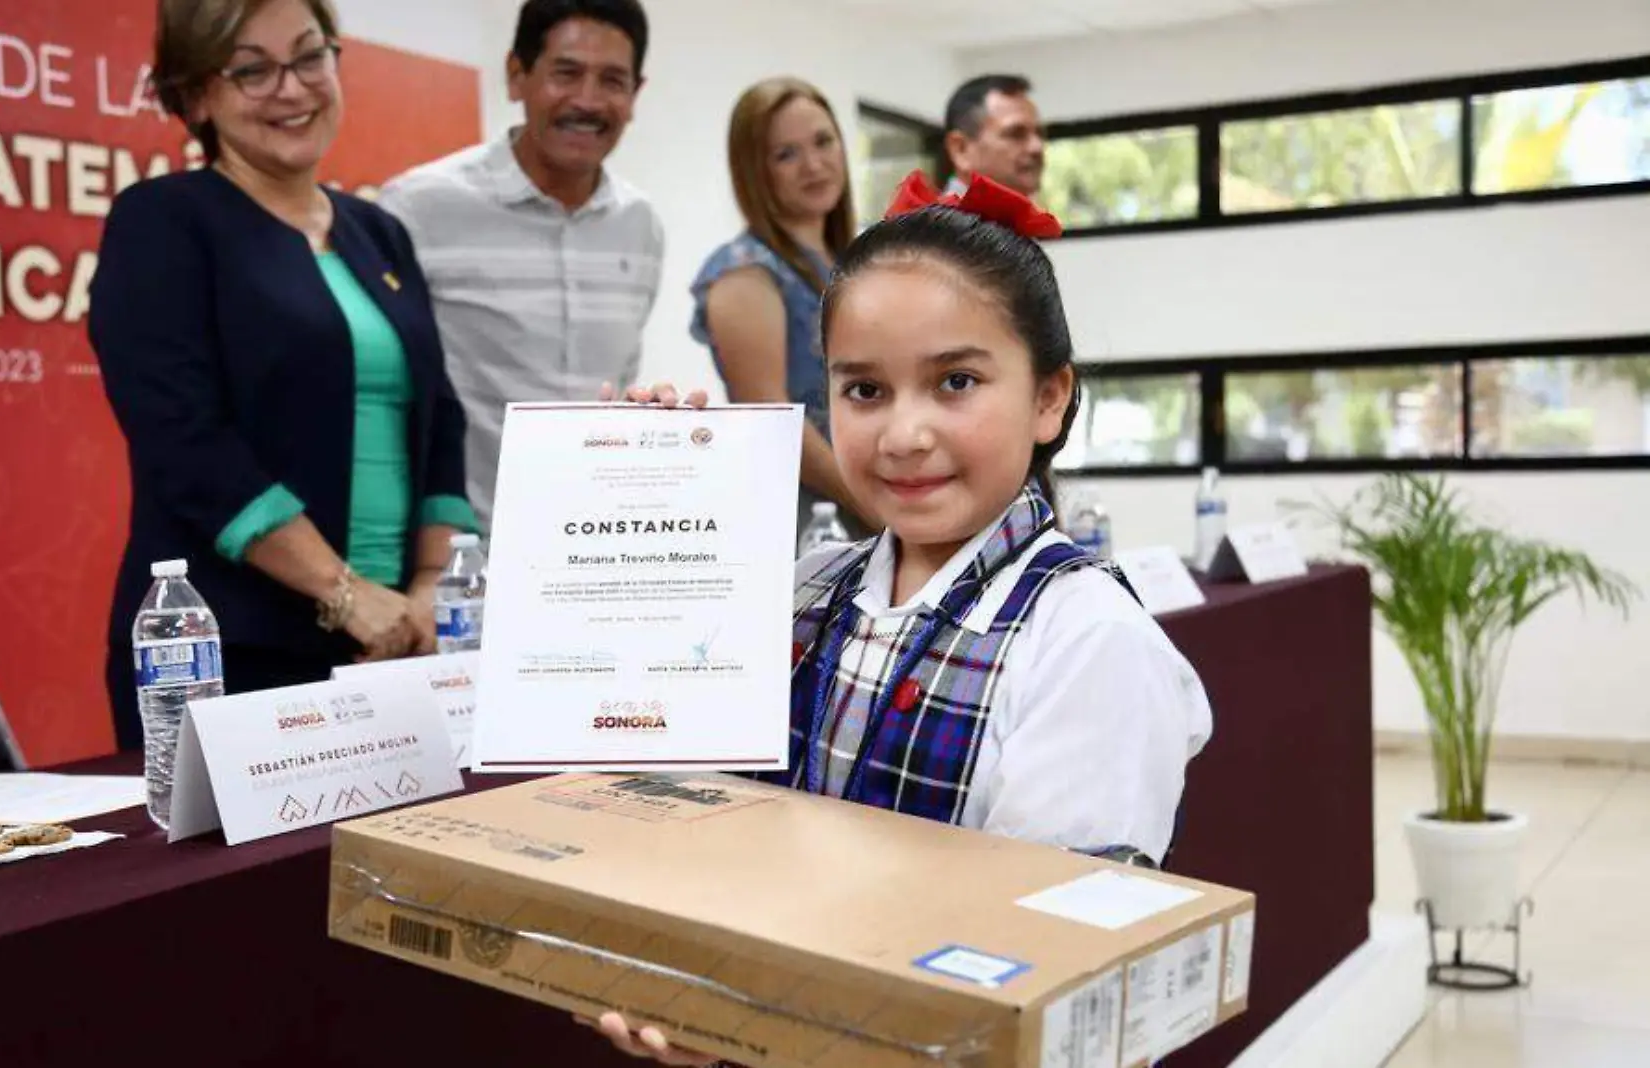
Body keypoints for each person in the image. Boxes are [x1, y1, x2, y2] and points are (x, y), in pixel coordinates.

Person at [587, 171, 1213, 1063]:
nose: (902, 434)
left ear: (1049, 397)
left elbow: (1046, 974)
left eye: (955, 382)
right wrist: (637, 490)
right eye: (864, 391)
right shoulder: (801, 591)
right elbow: (668, 803)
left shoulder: (1086, 641)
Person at [89, 0, 475, 750]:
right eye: (252, 70)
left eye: (308, 57)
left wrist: (432, 586)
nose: (292, 89)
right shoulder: (162, 221)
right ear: (198, 95)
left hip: (395, 647)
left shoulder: (379, 233)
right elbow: (185, 441)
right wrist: (344, 593)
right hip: (229, 652)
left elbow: (440, 417)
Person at [379, 0, 661, 536]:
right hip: (459, 559)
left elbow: (619, 389)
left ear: (635, 95)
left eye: (612, 80)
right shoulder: (417, 208)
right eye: (566, 72)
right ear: (517, 76)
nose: (587, 100)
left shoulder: (641, 225)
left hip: (592, 551)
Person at [690, 77, 872, 540]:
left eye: (823, 142)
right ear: (755, 172)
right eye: (785, 154)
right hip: (809, 519)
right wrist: (875, 505)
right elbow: (775, 420)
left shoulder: (857, 260)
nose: (813, 165)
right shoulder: (744, 273)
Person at [942, 74, 1047, 196]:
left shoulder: (1018, 214)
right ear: (961, 149)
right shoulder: (932, 215)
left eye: (1039, 134)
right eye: (1016, 134)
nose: (1037, 147)